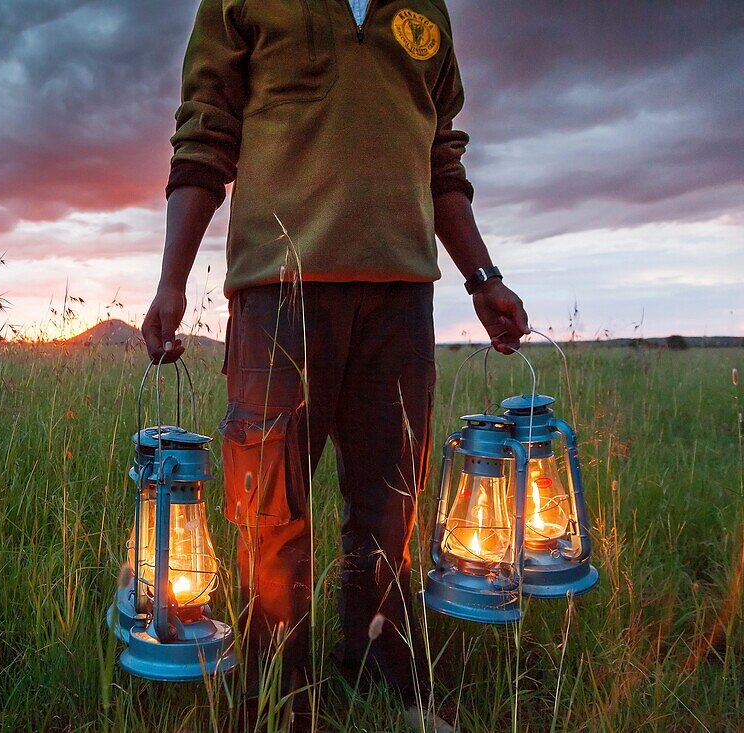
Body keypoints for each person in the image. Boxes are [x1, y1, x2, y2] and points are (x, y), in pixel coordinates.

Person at [142, 1, 529, 729]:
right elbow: (204, 134)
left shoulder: (425, 10)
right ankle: (278, 705)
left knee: (391, 507)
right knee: (271, 513)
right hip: (278, 292)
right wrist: (172, 280)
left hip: (402, 295)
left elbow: (440, 156)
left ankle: (384, 689)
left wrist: (482, 278)